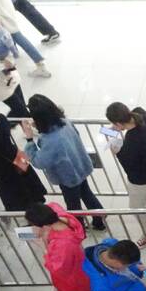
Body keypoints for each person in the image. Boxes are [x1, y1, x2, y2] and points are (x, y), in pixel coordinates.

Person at [21, 202, 107, 291]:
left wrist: (43, 247)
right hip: (79, 273)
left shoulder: (63, 244)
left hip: (72, 285)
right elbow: (53, 205)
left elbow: (58, 269)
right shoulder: (62, 218)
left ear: (42, 225)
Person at [22, 94, 103, 229]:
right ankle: (100, 219)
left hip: (68, 177)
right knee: (87, 194)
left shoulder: (51, 141)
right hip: (81, 166)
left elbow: (39, 162)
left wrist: (30, 140)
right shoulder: (65, 122)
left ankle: (78, 228)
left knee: (73, 205)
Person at [102, 103, 146, 213]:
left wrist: (117, 152)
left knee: (136, 209)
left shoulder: (131, 141)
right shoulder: (141, 113)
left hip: (142, 181)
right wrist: (112, 130)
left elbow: (129, 167)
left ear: (117, 123)